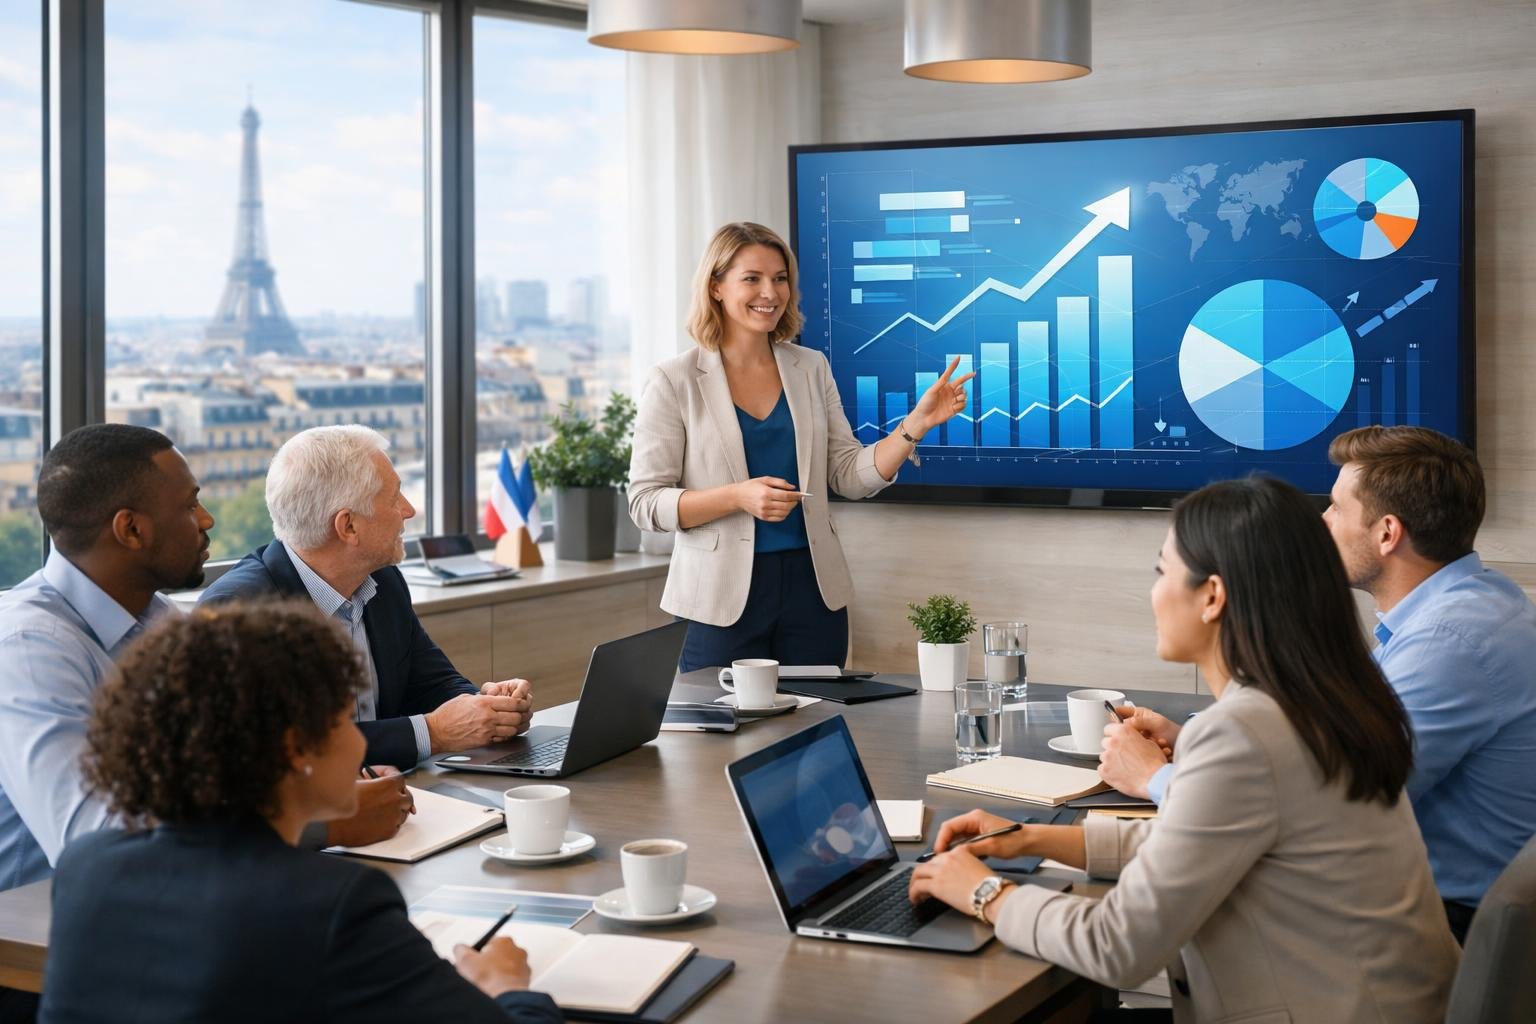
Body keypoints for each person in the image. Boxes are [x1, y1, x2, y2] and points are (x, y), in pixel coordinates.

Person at [909, 476, 1459, 1023]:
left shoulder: (1246, 732)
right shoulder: (1321, 699)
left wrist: (982, 892)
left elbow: (1116, 945)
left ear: (1212, 596)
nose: (1153, 593)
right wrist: (1029, 837)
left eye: (1161, 572)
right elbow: (1197, 842)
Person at [1101, 426, 1536, 944]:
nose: (1322, 521)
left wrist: (1155, 778)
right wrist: (1195, 740)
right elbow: (1335, 741)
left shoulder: (1451, 642)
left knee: (1161, 912)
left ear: (1387, 533)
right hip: (1426, 901)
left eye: (1335, 507)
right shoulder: (1476, 602)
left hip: (1442, 924)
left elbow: (1334, 803)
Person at [38, 601, 560, 1024]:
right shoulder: (336, 903)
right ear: (295, 748)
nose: (361, 742)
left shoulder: (87, 868)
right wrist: (506, 987)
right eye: (343, 720)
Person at [0, 425, 413, 899]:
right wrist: (324, 822)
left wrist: (335, 787)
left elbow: (225, 770)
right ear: (131, 529)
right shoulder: (28, 648)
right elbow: (101, 845)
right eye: (189, 506)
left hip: (186, 892)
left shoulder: (158, 619)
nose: (207, 519)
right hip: (47, 920)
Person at [628, 222, 974, 671]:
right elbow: (645, 502)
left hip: (812, 593)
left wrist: (915, 425)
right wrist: (736, 496)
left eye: (780, 278)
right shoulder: (674, 380)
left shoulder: (810, 367)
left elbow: (847, 475)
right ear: (715, 286)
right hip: (717, 599)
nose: (770, 292)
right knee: (721, 720)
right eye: (751, 278)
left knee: (816, 715)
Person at [200, 425, 534, 769]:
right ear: (348, 526)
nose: (409, 510)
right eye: (395, 498)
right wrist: (432, 733)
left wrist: (489, 708)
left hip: (401, 790)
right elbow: (284, 749)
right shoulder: (236, 611)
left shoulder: (382, 579)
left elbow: (429, 682)